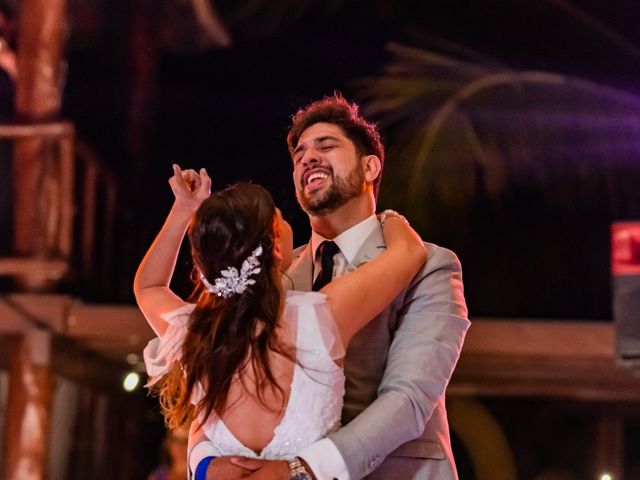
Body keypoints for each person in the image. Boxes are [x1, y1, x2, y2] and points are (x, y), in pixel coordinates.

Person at [204, 94, 471, 479]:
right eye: (299, 155)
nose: (308, 157)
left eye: (326, 146)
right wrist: (203, 461)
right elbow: (214, 373)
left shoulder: (428, 265)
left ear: (370, 167)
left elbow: (409, 399)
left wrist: (300, 471)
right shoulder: (270, 276)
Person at [135, 165, 427, 479]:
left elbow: (148, 286)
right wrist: (387, 217)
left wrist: (183, 209)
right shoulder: (322, 316)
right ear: (274, 246)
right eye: (281, 219)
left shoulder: (195, 332)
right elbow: (410, 251)